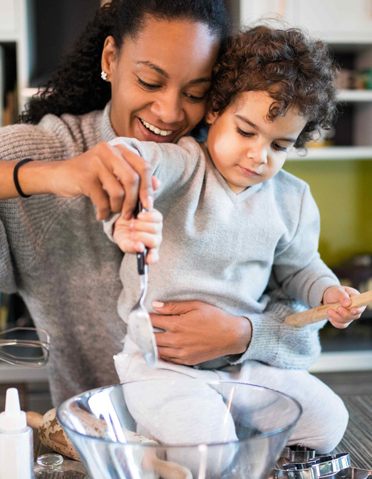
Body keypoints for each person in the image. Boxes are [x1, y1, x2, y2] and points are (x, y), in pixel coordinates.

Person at [0, 0, 325, 405]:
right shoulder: (55, 148)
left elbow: (306, 320)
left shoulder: (235, 171)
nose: (168, 112)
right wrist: (53, 174)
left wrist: (243, 334)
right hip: (97, 453)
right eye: (149, 80)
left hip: (225, 437)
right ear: (110, 59)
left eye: (195, 92)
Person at [107, 26, 357, 454]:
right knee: (212, 450)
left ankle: (208, 434)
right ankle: (198, 438)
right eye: (246, 131)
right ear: (214, 111)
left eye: (279, 144)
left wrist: (328, 291)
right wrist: (127, 217)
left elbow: (300, 269)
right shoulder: (184, 164)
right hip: (161, 366)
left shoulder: (291, 199)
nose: (259, 155)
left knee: (329, 423)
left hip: (244, 366)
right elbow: (131, 159)